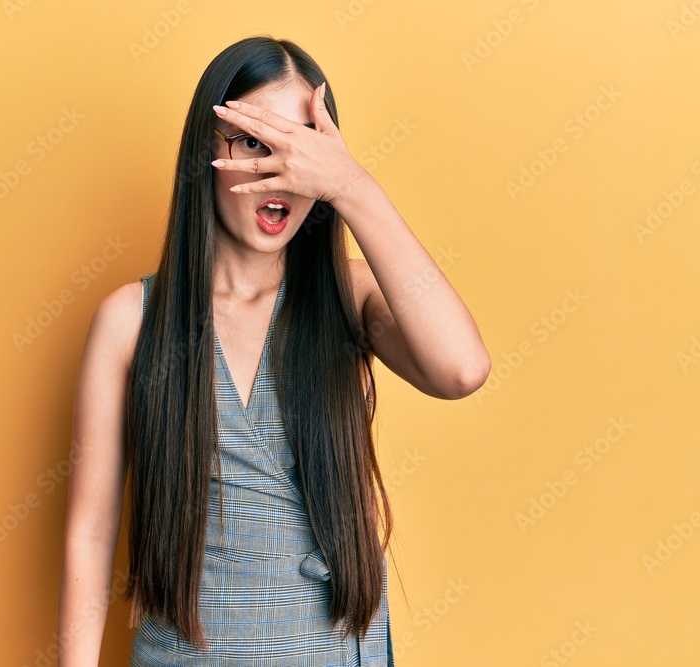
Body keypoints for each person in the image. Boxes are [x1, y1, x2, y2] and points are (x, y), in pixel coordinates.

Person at [56, 35, 491, 666]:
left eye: (301, 149)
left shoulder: (350, 295)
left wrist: (354, 188)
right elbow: (90, 537)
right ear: (207, 148)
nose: (278, 172)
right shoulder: (131, 322)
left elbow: (461, 369)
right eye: (253, 142)